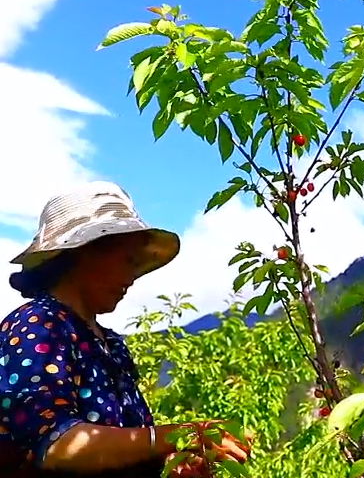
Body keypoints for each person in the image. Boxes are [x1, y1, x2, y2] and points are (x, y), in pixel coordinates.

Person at [0, 182, 251, 477]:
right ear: (83, 253)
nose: (132, 276)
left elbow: (125, 442)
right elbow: (56, 443)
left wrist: (170, 465)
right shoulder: (40, 326)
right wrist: (181, 434)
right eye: (128, 260)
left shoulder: (110, 344)